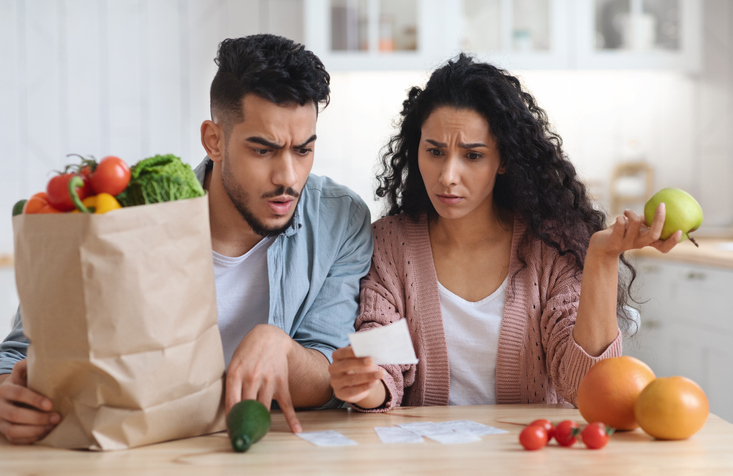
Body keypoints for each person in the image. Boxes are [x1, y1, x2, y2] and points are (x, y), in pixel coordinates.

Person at [0, 34, 373, 443]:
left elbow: (329, 375)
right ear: (214, 140)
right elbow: (18, 354)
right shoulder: (128, 214)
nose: (288, 177)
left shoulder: (340, 219)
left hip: (264, 450)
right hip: (128, 450)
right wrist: (6, 394)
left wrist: (280, 346)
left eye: (303, 151)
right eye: (263, 150)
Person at [328, 54, 680, 411]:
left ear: (504, 161)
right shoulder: (389, 242)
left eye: (473, 156)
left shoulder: (552, 245)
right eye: (434, 151)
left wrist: (602, 258)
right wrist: (362, 385)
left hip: (532, 459)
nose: (448, 175)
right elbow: (382, 366)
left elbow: (588, 387)